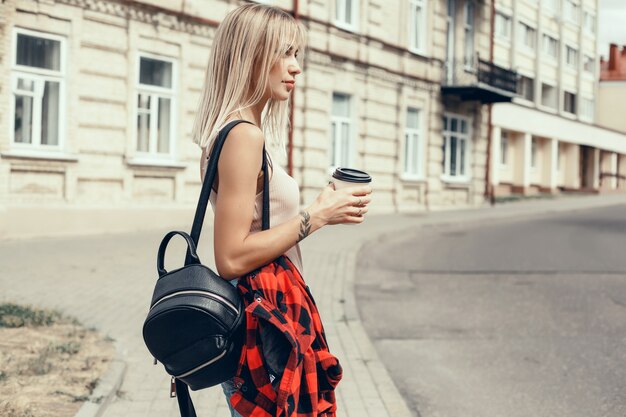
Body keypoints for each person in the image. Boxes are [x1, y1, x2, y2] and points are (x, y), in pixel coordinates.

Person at [191, 4, 372, 417]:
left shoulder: (230, 131)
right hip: (261, 322)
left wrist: (324, 209)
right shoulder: (243, 136)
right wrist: (317, 215)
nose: (296, 68)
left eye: (297, 55)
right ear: (251, 56)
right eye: (284, 53)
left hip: (262, 316)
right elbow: (231, 257)